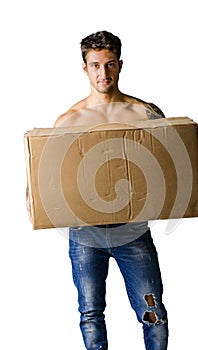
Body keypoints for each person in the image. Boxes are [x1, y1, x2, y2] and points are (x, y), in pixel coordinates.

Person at [27, 30, 168, 350]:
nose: (103, 73)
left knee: (153, 313)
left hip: (132, 232)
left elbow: (174, 160)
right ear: (84, 68)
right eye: (95, 65)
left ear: (120, 65)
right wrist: (33, 197)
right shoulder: (69, 119)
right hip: (84, 235)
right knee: (90, 314)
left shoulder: (143, 112)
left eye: (109, 64)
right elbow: (46, 175)